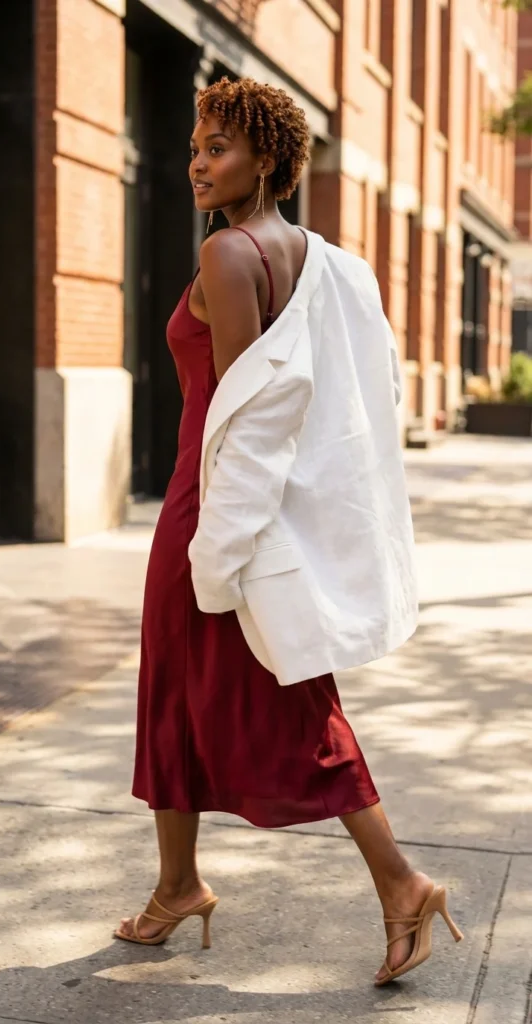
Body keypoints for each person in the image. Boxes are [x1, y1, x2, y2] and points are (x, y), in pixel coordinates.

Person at [115, 77, 463, 986]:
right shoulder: (323, 260)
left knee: (287, 700)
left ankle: (401, 881)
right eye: (195, 146)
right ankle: (178, 884)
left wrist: (220, 549)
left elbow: (245, 418)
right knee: (199, 691)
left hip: (214, 510)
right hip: (240, 507)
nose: (197, 163)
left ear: (267, 159)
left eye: (218, 147)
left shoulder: (229, 252)